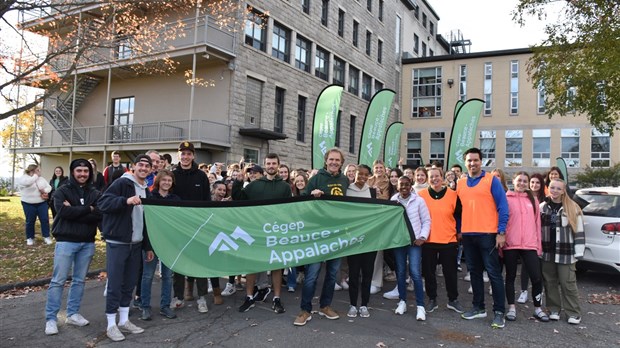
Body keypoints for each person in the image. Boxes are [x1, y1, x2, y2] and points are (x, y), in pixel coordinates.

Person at [98, 154, 153, 342]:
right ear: (134, 167)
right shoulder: (123, 184)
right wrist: (125, 201)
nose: (144, 168)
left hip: (136, 244)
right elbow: (103, 203)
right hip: (118, 242)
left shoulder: (147, 190)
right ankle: (111, 324)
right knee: (114, 284)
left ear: (150, 170)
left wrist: (148, 246)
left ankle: (124, 320)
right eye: (141, 165)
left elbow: (146, 222)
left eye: (147, 166)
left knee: (129, 283)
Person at [44, 159, 102, 336]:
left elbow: (98, 215)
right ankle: (51, 319)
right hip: (66, 241)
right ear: (72, 171)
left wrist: (77, 210)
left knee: (79, 280)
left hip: (87, 242)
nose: (83, 174)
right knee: (58, 280)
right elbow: (63, 212)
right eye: (79, 171)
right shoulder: (62, 190)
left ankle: (73, 313)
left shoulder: (95, 192)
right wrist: (88, 209)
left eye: (86, 171)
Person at [294, 148, 349, 326]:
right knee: (312, 275)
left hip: (337, 234)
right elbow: (302, 198)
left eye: (337, 160)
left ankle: (325, 306)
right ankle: (305, 310)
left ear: (341, 163)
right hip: (318, 233)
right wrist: (312, 195)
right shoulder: (316, 178)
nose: (334, 162)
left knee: (332, 274)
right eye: (331, 159)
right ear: (326, 161)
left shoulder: (345, 180)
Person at [232, 153, 292, 314]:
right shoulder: (255, 185)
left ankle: (277, 298)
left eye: (274, 163)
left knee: (276, 266)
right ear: (265, 166)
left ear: (278, 165)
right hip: (256, 232)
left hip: (276, 232)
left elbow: (290, 211)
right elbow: (238, 198)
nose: (271, 166)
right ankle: (249, 297)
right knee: (252, 265)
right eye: (268, 163)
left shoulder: (285, 187)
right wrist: (238, 180)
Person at [456, 147, 509, 329]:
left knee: (494, 274)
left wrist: (501, 232)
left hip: (488, 234)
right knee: (474, 273)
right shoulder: (460, 183)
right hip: (469, 235)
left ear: (481, 161)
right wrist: (459, 229)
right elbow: (459, 210)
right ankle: (478, 307)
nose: (473, 163)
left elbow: (503, 206)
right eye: (469, 160)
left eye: (476, 160)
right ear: (465, 162)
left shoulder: (491, 180)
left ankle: (499, 312)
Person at [171, 141, 220, 312]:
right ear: (179, 155)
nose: (185, 157)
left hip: (198, 226)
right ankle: (177, 297)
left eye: (188, 153)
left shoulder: (201, 176)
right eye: (182, 153)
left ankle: (201, 298)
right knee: (178, 263)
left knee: (199, 262)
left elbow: (206, 201)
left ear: (193, 156)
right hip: (177, 227)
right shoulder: (173, 175)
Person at [418, 167, 464, 316]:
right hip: (428, 240)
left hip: (448, 239)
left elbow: (460, 214)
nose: (434, 179)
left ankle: (453, 299)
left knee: (450, 272)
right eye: (431, 177)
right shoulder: (421, 195)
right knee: (429, 272)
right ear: (427, 178)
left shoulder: (453, 195)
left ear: (442, 177)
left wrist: (460, 230)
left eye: (437, 176)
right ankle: (432, 299)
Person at [503, 172, 548, 322]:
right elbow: (502, 220)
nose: (522, 183)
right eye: (519, 180)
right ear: (513, 181)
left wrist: (538, 246)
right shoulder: (506, 198)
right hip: (511, 244)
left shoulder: (532, 199)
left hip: (529, 244)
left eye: (525, 181)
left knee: (536, 277)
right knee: (510, 277)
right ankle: (511, 308)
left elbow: (537, 224)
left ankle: (537, 308)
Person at [540, 179, 585, 324]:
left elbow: (579, 232)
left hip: (566, 253)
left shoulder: (572, 207)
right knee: (550, 282)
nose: (554, 191)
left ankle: (573, 312)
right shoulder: (542, 207)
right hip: (547, 252)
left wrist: (578, 252)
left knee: (568, 283)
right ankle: (554, 309)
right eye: (552, 188)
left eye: (558, 188)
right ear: (548, 189)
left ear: (564, 190)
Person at [139, 169, 178, 321]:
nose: (166, 183)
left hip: (169, 243)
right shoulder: (150, 197)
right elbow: (146, 223)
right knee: (147, 275)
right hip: (152, 242)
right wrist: (147, 246)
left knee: (167, 276)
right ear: (158, 182)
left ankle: (165, 306)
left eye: (169, 180)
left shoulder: (176, 199)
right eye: (164, 180)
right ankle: (145, 307)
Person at [391, 175, 431, 321]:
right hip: (399, 242)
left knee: (415, 272)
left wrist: (422, 237)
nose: (404, 187)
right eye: (401, 184)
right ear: (397, 186)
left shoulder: (419, 200)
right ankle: (402, 301)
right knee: (400, 272)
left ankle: (420, 306)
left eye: (407, 184)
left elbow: (426, 220)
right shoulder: (393, 201)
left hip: (415, 243)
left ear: (411, 185)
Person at [345, 164, 377, 318]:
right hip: (353, 239)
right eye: (360, 174)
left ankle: (364, 305)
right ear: (354, 173)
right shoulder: (347, 189)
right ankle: (352, 304)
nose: (363, 177)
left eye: (366, 175)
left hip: (369, 239)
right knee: (354, 272)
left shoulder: (372, 191)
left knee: (367, 273)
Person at [519, 172, 546, 303]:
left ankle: (538, 294)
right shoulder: (524, 197)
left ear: (541, 185)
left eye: (538, 183)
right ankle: (523, 291)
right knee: (525, 266)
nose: (535, 185)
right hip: (527, 238)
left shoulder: (546, 200)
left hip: (542, 237)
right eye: (532, 182)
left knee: (538, 268)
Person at [17, 164, 53, 245]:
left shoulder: (42, 179)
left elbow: (49, 187)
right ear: (32, 171)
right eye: (38, 170)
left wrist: (45, 190)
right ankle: (30, 238)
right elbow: (27, 183)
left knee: (44, 220)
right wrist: (35, 176)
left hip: (42, 203)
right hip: (28, 203)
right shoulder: (24, 178)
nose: (39, 172)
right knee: (30, 221)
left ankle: (46, 236)